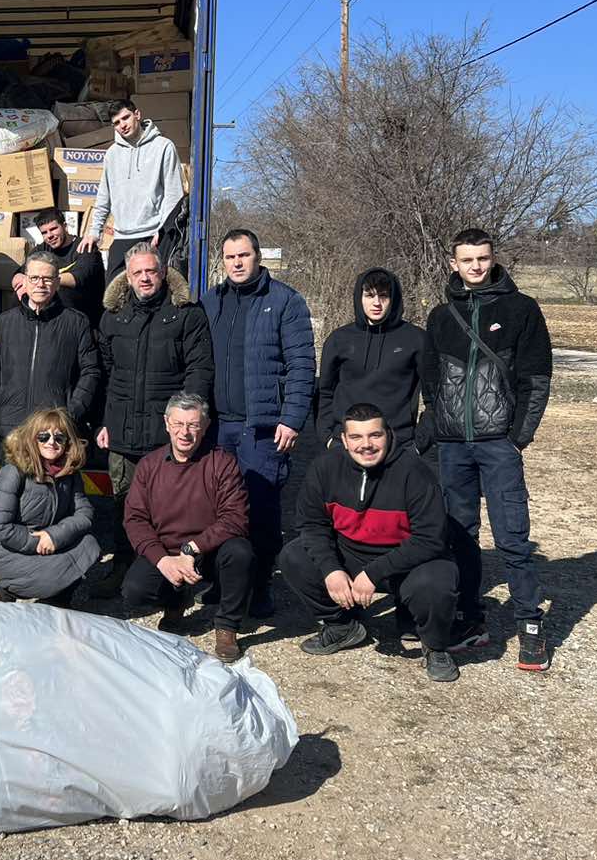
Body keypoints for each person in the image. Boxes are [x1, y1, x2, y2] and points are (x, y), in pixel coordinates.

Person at [419, 228, 554, 672]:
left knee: (513, 536)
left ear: (493, 259)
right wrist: (440, 423)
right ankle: (470, 619)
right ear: (452, 263)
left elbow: (536, 379)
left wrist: (518, 437)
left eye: (482, 258)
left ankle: (530, 625)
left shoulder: (521, 310)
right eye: (467, 259)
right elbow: (431, 378)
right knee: (460, 535)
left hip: (499, 444)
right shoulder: (441, 316)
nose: (475, 266)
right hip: (453, 446)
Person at [281, 403, 459, 682]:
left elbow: (430, 538)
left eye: (375, 435)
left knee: (436, 581)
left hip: (405, 560)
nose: (366, 445)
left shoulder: (414, 472)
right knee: (294, 557)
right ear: (343, 440)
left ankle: (435, 645)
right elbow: (311, 524)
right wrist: (331, 570)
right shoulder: (325, 468)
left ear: (387, 434)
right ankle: (342, 627)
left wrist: (374, 573)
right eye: (356, 437)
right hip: (351, 553)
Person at [201, 228, 316, 618]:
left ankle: (262, 583)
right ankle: (223, 579)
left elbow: (302, 365)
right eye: (230, 257)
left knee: (261, 508)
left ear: (257, 258)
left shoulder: (284, 301)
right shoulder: (211, 301)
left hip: (262, 427)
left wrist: (292, 419)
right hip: (217, 426)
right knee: (217, 508)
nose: (237, 263)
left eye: (244, 256)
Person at [93, 243, 213, 595]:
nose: (145, 278)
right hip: (123, 430)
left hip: (167, 435)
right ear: (127, 278)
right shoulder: (113, 316)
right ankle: (122, 567)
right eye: (137, 273)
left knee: (172, 508)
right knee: (123, 505)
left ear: (163, 273)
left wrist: (187, 423)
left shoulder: (186, 314)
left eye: (151, 271)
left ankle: (174, 577)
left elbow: (199, 370)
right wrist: (105, 421)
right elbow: (105, 372)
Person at [120, 393, 252, 663]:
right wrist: (163, 561)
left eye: (193, 425)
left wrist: (191, 549)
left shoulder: (221, 463)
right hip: (167, 551)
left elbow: (235, 518)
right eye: (179, 424)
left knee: (241, 553)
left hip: (208, 550)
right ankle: (175, 604)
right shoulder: (149, 465)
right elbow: (135, 519)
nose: (185, 432)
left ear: (205, 427)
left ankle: (227, 627)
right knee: (134, 590)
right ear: (167, 423)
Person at [0, 407, 100, 606]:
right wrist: (38, 543)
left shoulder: (70, 473)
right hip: (5, 547)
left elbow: (85, 513)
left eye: (59, 437)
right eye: (43, 436)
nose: (51, 442)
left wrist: (54, 535)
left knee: (89, 545)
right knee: (53, 576)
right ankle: (5, 591)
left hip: (47, 538)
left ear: (67, 442)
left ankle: (56, 602)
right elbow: (0, 528)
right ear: (31, 438)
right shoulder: (13, 471)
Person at [0, 251, 101, 439]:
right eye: (35, 278)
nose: (40, 284)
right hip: (11, 427)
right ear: (25, 281)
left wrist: (72, 412)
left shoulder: (76, 322)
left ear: (57, 282)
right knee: (10, 471)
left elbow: (91, 371)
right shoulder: (4, 323)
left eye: (47, 278)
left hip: (55, 431)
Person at [78, 99, 186, 280]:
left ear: (137, 114)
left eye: (125, 118)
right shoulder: (112, 154)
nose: (122, 125)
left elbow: (173, 195)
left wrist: (163, 231)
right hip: (122, 236)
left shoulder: (163, 147)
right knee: (114, 298)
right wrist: (93, 233)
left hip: (153, 235)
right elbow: (104, 197)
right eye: (117, 123)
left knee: (151, 291)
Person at [317, 268, 424, 446]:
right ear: (360, 297)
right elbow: (325, 392)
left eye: (383, 296)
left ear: (394, 299)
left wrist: (419, 443)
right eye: (369, 295)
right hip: (346, 443)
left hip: (398, 443)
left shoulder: (415, 339)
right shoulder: (339, 339)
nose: (377, 303)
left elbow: (434, 398)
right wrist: (328, 437)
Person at [12, 207, 104, 328]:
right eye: (44, 232)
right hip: (52, 317)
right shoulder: (43, 249)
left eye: (53, 229)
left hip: (84, 315)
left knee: (61, 290)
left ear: (65, 226)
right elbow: (18, 275)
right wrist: (22, 282)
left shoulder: (85, 247)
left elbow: (78, 278)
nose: (49, 235)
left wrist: (38, 280)